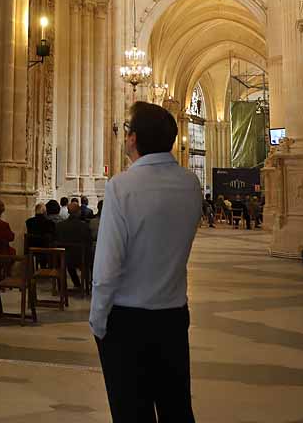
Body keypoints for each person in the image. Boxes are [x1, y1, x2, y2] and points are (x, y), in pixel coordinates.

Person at [91, 101, 203, 422]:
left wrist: (98, 321)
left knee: (131, 412)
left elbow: (107, 268)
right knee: (176, 408)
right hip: (172, 315)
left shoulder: (121, 187)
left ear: (134, 138)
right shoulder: (190, 184)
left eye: (127, 131)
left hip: (128, 321)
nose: (124, 137)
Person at [54, 200, 92, 289]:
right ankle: (87, 284)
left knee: (68, 257)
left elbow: (56, 240)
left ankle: (66, 286)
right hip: (81, 257)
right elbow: (89, 241)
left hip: (64, 257)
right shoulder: (84, 226)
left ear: (68, 212)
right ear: (79, 212)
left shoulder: (60, 226)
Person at [26, 202, 57, 267]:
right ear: (44, 212)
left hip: (32, 247)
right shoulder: (50, 223)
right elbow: (53, 236)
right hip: (45, 248)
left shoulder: (29, 222)